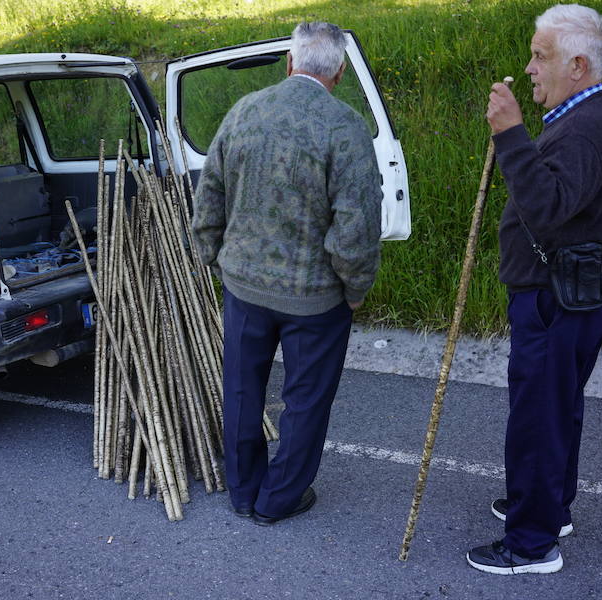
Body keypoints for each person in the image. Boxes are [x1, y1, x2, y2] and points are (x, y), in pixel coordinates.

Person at [467, 4, 602, 574]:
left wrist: (510, 134)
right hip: (569, 294)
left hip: (556, 299)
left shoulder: (587, 129)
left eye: (542, 56)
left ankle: (532, 544)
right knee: (557, 406)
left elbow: (547, 207)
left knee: (539, 416)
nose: (531, 67)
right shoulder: (585, 116)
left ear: (578, 66)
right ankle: (548, 506)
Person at [191, 22, 382, 525]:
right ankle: (279, 499)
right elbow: (356, 226)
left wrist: (210, 253)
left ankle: (242, 490)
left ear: (290, 62)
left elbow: (209, 193)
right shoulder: (345, 128)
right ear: (339, 72)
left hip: (244, 287)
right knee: (305, 399)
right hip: (314, 299)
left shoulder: (244, 112)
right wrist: (356, 287)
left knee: (241, 387)